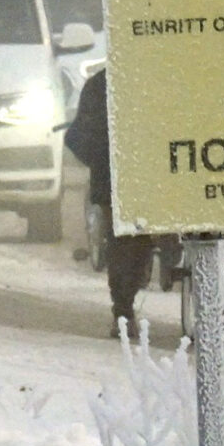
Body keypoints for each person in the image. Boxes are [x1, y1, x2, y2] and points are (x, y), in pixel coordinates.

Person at [63, 67, 158, 336]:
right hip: (130, 177)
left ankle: (123, 309)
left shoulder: (101, 84)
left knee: (124, 245)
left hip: (116, 179)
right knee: (129, 245)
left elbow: (77, 137)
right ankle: (124, 309)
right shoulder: (154, 75)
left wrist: (103, 162)